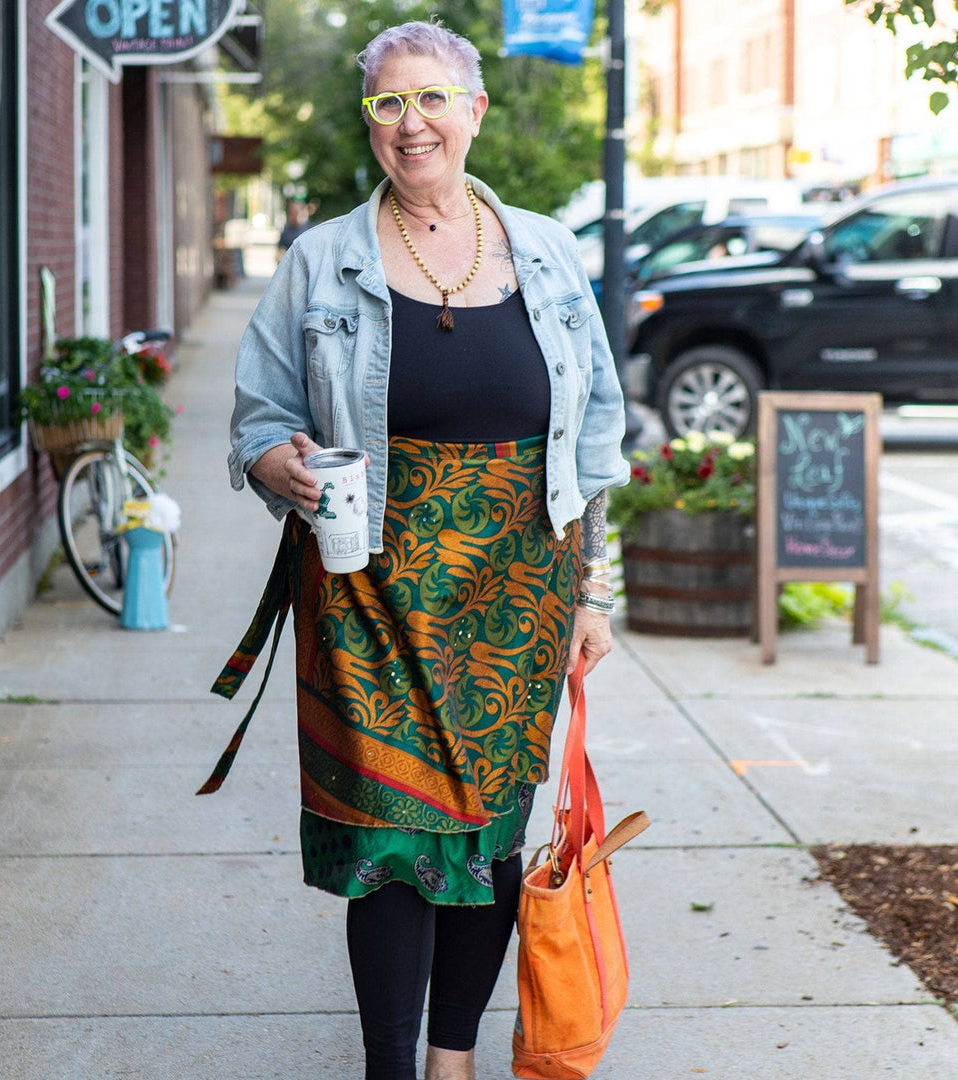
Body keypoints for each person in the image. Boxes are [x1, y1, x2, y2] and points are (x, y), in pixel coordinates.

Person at [210, 19, 628, 1080]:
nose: (413, 124)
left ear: (475, 110)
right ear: (372, 124)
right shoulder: (323, 259)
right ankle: (390, 1066)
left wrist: (593, 592)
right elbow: (257, 419)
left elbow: (594, 438)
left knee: (487, 835)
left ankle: (456, 1061)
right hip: (365, 586)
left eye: (433, 98)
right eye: (389, 104)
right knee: (391, 840)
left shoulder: (545, 248)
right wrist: (279, 466)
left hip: (517, 588)